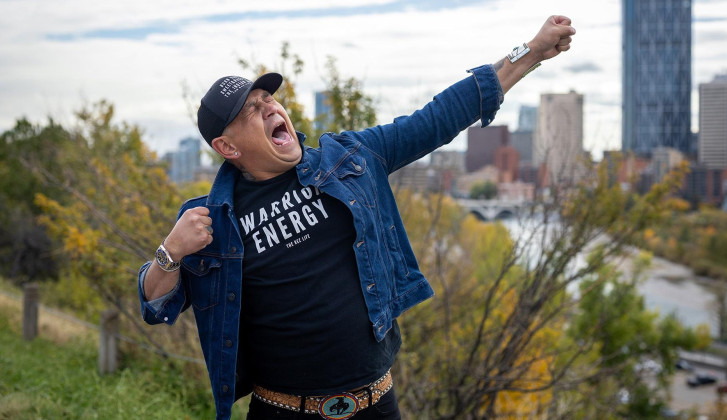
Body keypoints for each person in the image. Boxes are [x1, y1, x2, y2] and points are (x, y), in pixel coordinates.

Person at [138, 15, 575, 420]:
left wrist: (530, 52)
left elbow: (438, 118)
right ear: (227, 147)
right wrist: (170, 252)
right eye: (250, 109)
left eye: (268, 98)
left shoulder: (350, 159)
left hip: (376, 405)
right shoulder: (211, 221)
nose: (270, 107)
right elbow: (155, 305)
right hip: (282, 411)